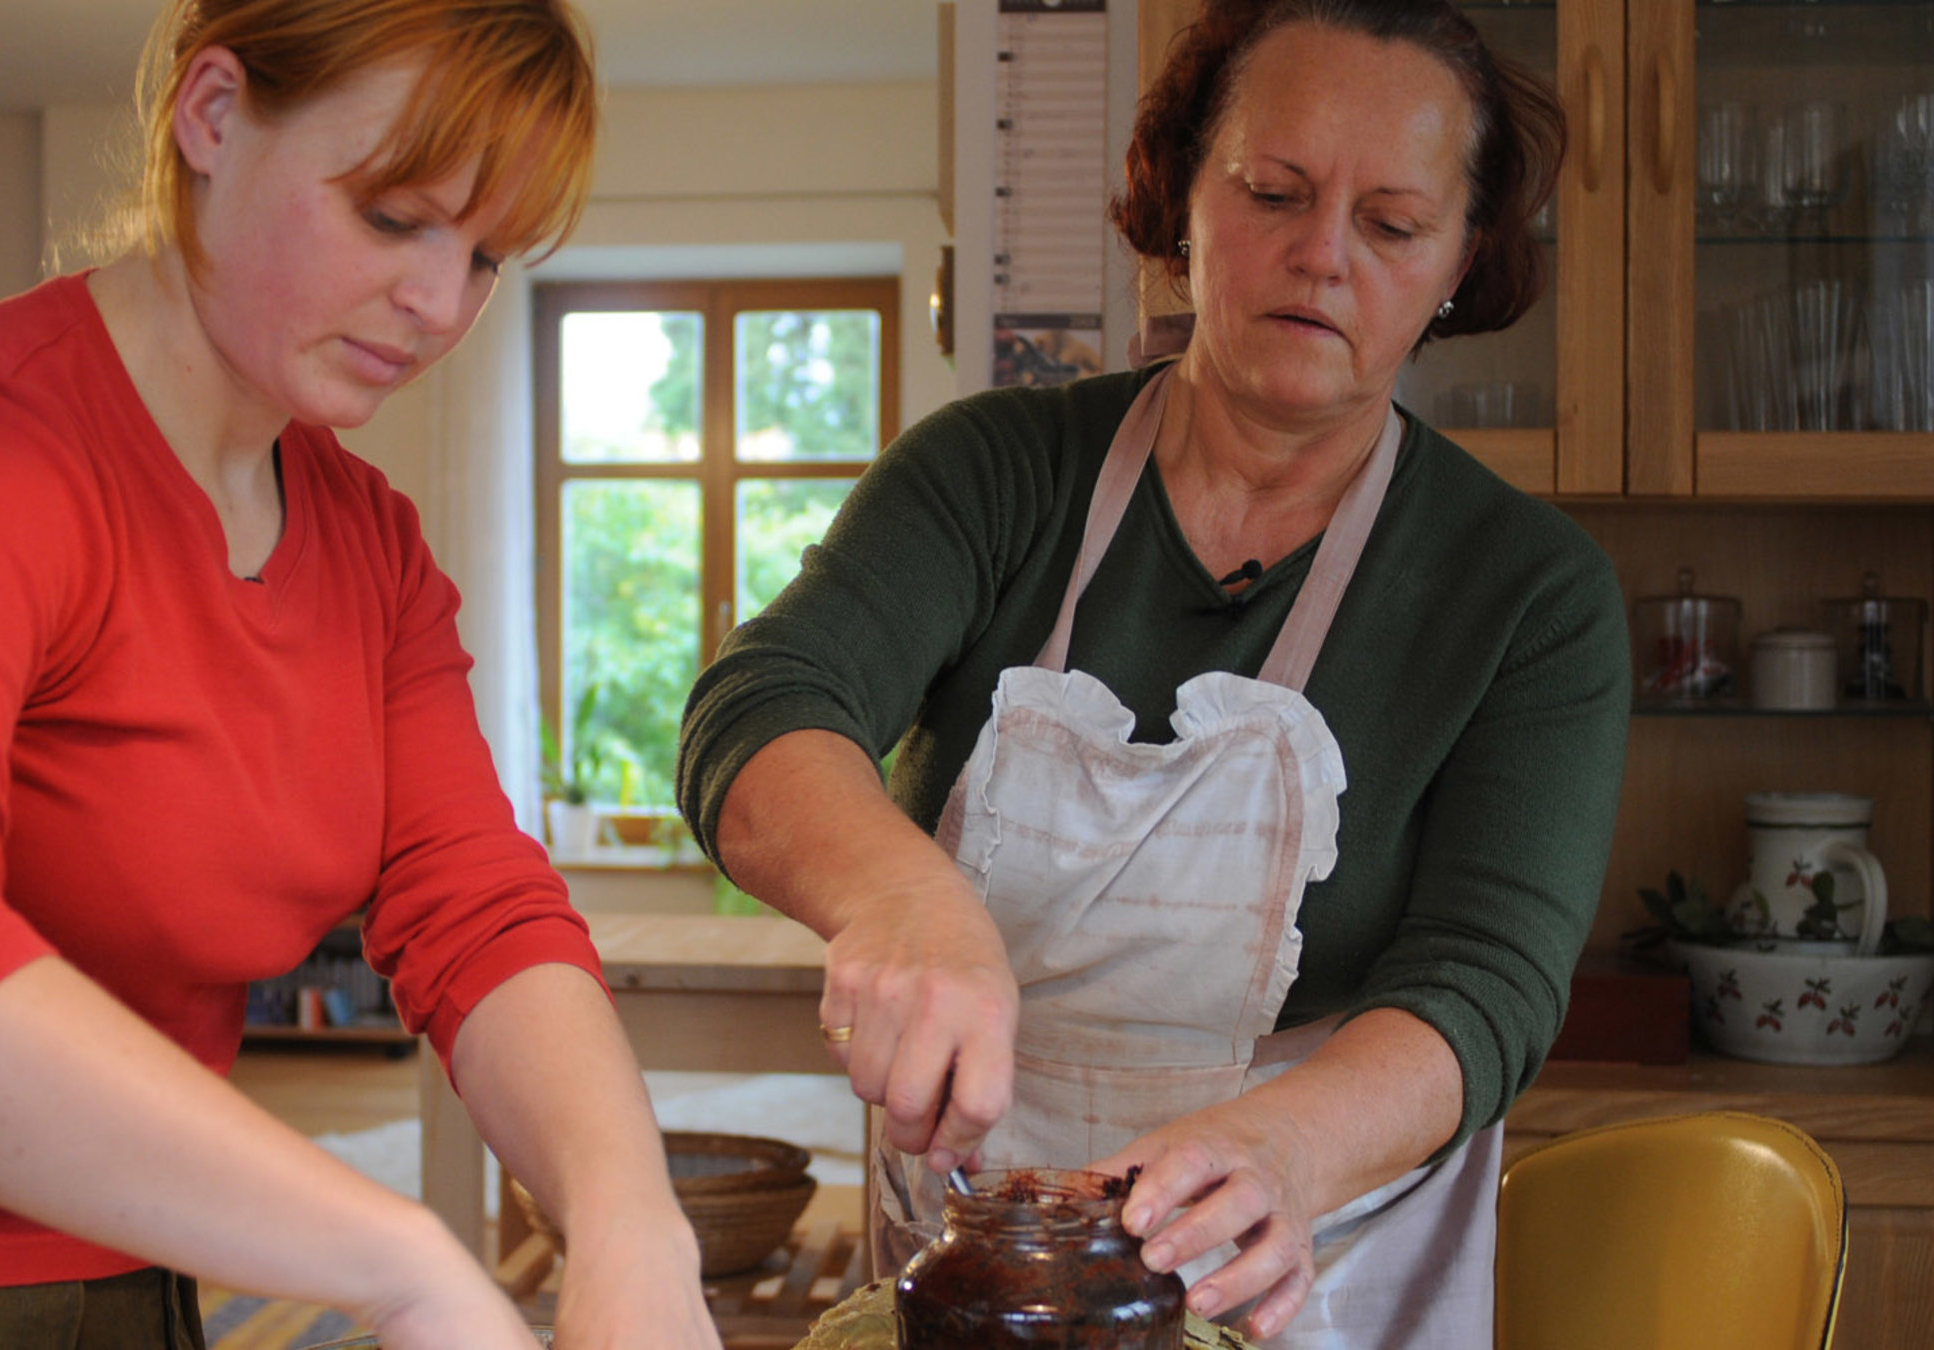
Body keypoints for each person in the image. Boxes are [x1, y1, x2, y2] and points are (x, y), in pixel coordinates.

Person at [0, 3, 721, 1348]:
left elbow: (479, 909)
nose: (442, 304)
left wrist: (631, 1221)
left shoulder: (373, 549)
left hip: (135, 1276)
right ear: (211, 115)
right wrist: (394, 1257)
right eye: (394, 218)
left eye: (487, 254)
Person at [678, 1, 1626, 1345]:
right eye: (1273, 192)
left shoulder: (1528, 592)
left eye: (1394, 225)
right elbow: (764, 705)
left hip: (1317, 1264)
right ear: (1181, 197)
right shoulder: (995, 473)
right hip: (980, 1253)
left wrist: (1282, 1153)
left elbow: (1488, 982)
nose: (1322, 255)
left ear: (1461, 262)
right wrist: (903, 901)